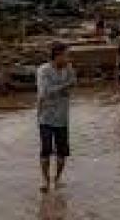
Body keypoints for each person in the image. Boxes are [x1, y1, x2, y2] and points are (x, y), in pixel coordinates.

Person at [37, 42, 76, 193]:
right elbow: (45, 92)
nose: (68, 58)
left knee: (62, 152)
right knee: (46, 150)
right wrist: (65, 86)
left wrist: (67, 84)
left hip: (62, 117)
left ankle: (57, 179)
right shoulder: (43, 70)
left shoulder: (68, 70)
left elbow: (74, 84)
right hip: (45, 116)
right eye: (66, 55)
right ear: (58, 56)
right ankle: (45, 180)